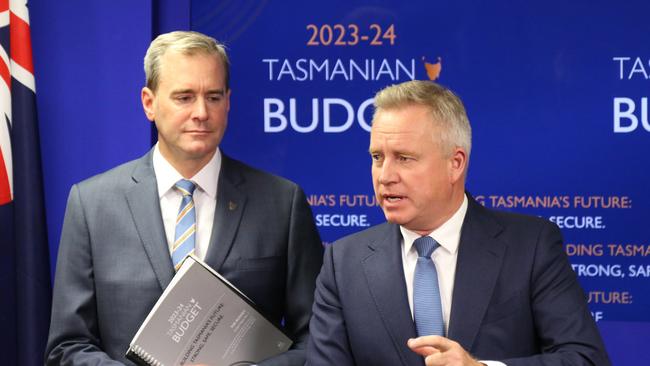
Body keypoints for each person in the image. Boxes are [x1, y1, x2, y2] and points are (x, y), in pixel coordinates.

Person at [45, 31, 323, 366]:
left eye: (214, 97)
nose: (202, 112)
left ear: (228, 102)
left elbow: (318, 341)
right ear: (149, 103)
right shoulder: (91, 205)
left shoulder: (282, 203)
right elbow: (67, 347)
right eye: (184, 97)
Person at [306, 80, 610, 366]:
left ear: (456, 163)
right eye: (377, 157)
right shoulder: (343, 262)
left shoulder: (531, 247)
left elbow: (585, 358)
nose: (385, 176)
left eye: (404, 158)